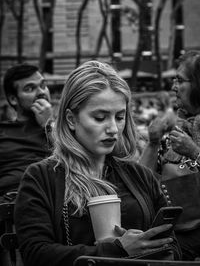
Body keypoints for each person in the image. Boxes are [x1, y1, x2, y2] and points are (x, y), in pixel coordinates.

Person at [14, 60, 181, 266]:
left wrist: (152, 246)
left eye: (119, 117)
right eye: (100, 117)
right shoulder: (42, 177)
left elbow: (174, 246)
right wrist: (116, 250)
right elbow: (35, 254)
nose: (113, 128)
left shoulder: (140, 175)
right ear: (71, 119)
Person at [139, 51, 200, 260]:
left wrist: (194, 152)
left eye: (180, 80)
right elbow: (141, 179)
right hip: (175, 232)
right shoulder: (175, 129)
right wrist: (153, 142)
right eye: (174, 80)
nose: (174, 87)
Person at [0, 63, 53, 198]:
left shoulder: (63, 128)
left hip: (52, 200)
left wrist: (48, 125)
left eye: (43, 85)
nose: (41, 92)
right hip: (9, 202)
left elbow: (72, 160)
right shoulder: (3, 132)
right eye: (30, 88)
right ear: (13, 99)